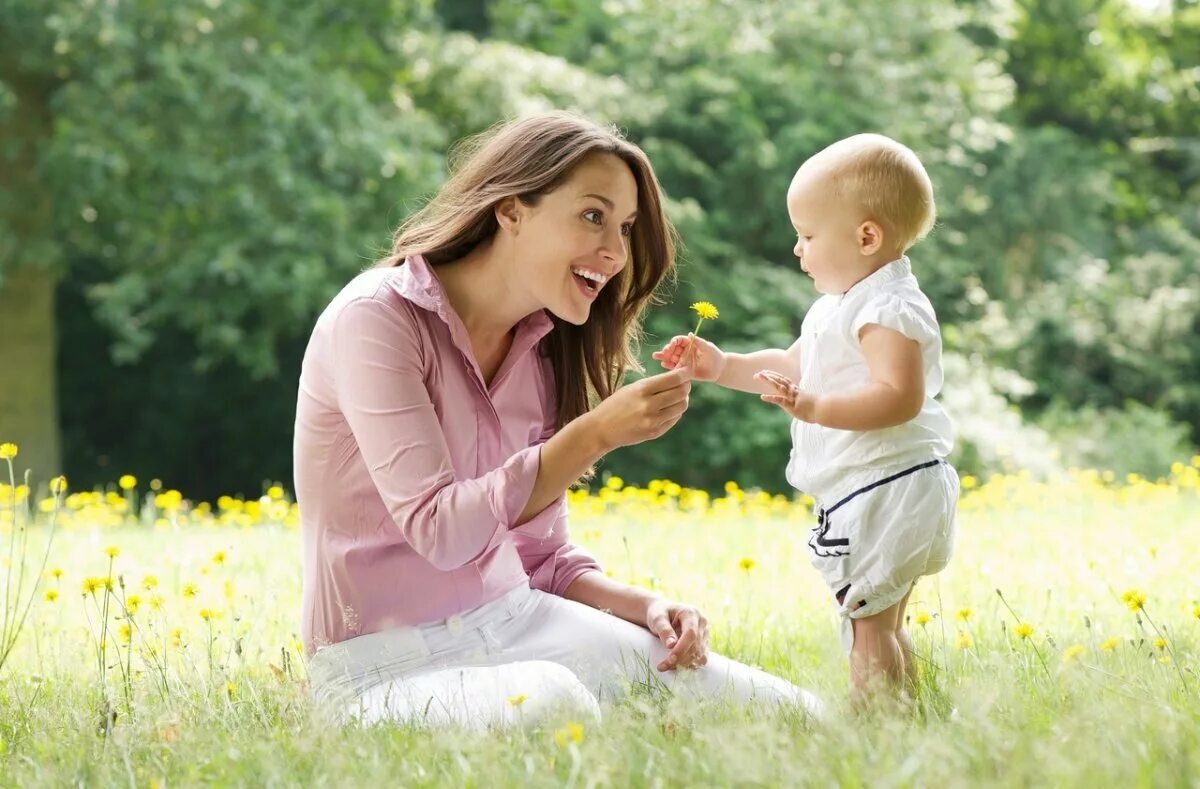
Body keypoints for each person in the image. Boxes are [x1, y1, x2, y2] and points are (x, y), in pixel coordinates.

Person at [293, 111, 821, 729]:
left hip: (518, 620)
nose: (616, 252)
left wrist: (644, 605)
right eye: (593, 216)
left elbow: (541, 559)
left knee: (794, 718)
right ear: (512, 209)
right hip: (381, 666)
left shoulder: (541, 349)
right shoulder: (376, 319)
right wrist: (593, 434)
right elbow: (439, 531)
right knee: (552, 703)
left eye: (625, 228)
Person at [654, 133, 958, 701]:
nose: (798, 250)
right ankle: (907, 721)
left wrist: (815, 407)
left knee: (868, 625)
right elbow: (794, 366)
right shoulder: (840, 306)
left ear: (867, 236)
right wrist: (722, 366)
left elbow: (899, 396)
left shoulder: (886, 308)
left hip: (888, 486)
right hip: (879, 486)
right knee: (879, 623)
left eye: (808, 235)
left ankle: (875, 732)